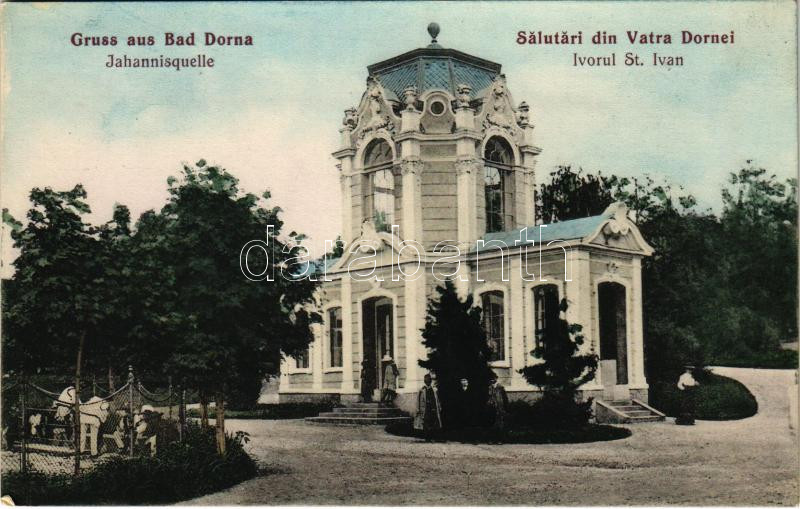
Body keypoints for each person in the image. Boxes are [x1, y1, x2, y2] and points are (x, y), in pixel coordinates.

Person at [414, 373, 442, 440]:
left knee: (433, 421)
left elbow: (437, 399)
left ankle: (432, 436)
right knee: (426, 422)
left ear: (431, 381)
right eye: (426, 380)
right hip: (425, 409)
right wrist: (418, 408)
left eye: (429, 380)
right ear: (424, 381)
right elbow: (418, 400)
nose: (428, 381)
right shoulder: (422, 390)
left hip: (433, 408)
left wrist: (439, 407)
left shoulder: (434, 390)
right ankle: (427, 437)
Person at [487, 374, 509, 438]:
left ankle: (500, 437)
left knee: (500, 422)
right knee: (492, 422)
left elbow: (505, 398)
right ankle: (492, 438)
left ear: (496, 379)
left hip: (500, 407)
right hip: (492, 407)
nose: (492, 380)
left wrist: (506, 407)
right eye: (491, 378)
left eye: (494, 378)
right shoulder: (489, 388)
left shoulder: (500, 387)